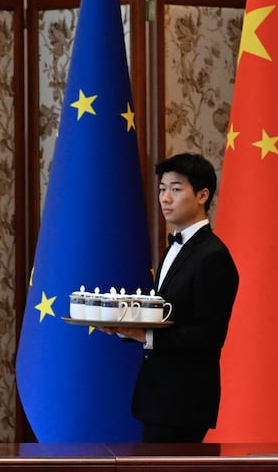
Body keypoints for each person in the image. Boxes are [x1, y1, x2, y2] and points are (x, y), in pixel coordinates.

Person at [102, 152, 239, 443]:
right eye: (162, 189)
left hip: (184, 400)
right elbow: (165, 314)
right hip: (157, 397)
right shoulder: (174, 248)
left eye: (176, 189)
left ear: (202, 195)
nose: (165, 198)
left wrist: (145, 335)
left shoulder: (213, 256)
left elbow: (208, 336)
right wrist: (123, 326)